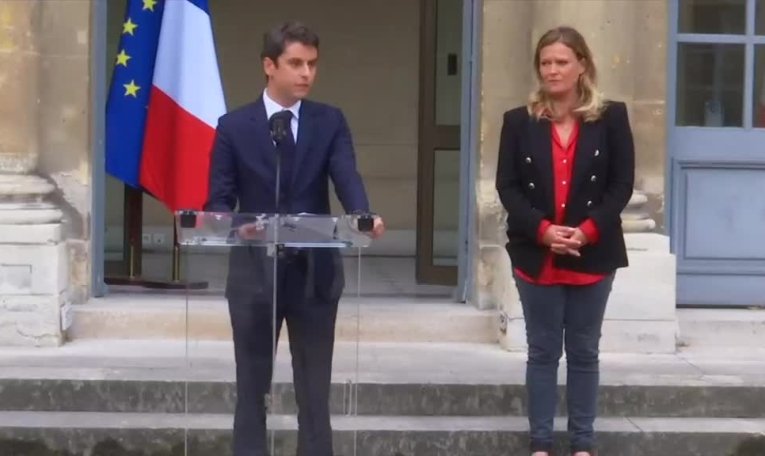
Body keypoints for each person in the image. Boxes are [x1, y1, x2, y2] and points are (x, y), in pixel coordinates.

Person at [204, 21, 384, 456]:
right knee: (252, 389)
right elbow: (219, 201)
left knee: (314, 392)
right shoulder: (233, 126)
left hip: (314, 273)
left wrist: (362, 216)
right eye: (296, 63)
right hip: (254, 275)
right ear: (270, 65)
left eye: (312, 64)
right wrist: (236, 226)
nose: (307, 73)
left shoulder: (329, 121)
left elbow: (346, 175)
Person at [495, 26, 634, 456]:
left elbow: (621, 184)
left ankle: (582, 443)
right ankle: (540, 442)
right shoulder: (518, 121)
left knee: (584, 351)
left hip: (593, 252)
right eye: (545, 63)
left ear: (582, 66)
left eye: (561, 62)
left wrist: (588, 230)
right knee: (542, 351)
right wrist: (543, 231)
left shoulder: (611, 117)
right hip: (537, 253)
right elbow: (507, 186)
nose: (552, 70)